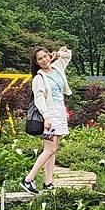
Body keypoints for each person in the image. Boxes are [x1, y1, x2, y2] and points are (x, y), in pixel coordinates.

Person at [20, 46, 72, 195]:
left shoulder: (57, 68)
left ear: (49, 56)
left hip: (60, 111)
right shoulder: (39, 77)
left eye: (45, 56)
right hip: (49, 114)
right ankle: (28, 179)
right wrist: (46, 117)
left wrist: (58, 53)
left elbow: (67, 55)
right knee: (49, 149)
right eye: (40, 59)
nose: (44, 60)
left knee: (53, 150)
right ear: (36, 62)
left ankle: (48, 182)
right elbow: (39, 99)